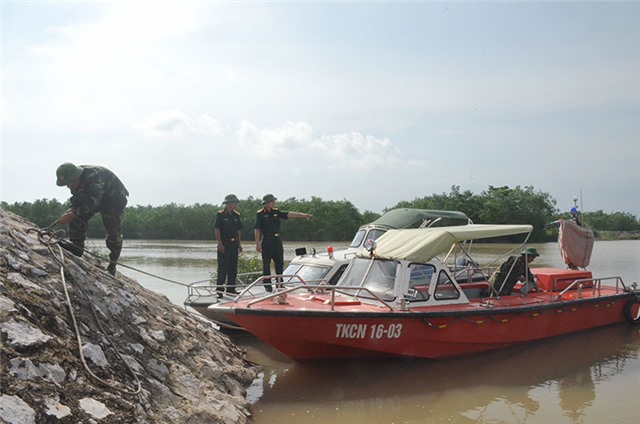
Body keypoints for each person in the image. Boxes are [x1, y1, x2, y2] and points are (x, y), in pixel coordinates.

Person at [55, 163, 129, 276]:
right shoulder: (75, 180)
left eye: (69, 183)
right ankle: (76, 247)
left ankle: (112, 266)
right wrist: (70, 211)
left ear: (76, 178)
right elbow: (78, 200)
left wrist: (73, 213)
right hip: (95, 198)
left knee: (114, 233)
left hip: (114, 200)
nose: (68, 187)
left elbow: (94, 203)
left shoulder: (94, 177)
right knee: (76, 216)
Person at [254, 194, 312, 292]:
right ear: (267, 203)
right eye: (272, 201)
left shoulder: (276, 212)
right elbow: (257, 229)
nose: (273, 203)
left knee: (279, 262)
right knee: (266, 263)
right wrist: (257, 243)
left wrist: (302, 215)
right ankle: (267, 284)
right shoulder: (260, 214)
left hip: (277, 240)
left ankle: (279, 283)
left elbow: (288, 214)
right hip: (267, 240)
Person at [214, 194, 243, 297]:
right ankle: (219, 290)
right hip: (224, 244)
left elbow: (238, 231)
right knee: (223, 267)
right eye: (234, 202)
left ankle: (231, 289)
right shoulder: (221, 214)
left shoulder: (236, 215)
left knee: (233, 267)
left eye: (236, 203)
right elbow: (217, 229)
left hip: (234, 244)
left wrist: (239, 244)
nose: (235, 204)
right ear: (228, 203)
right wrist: (220, 243)